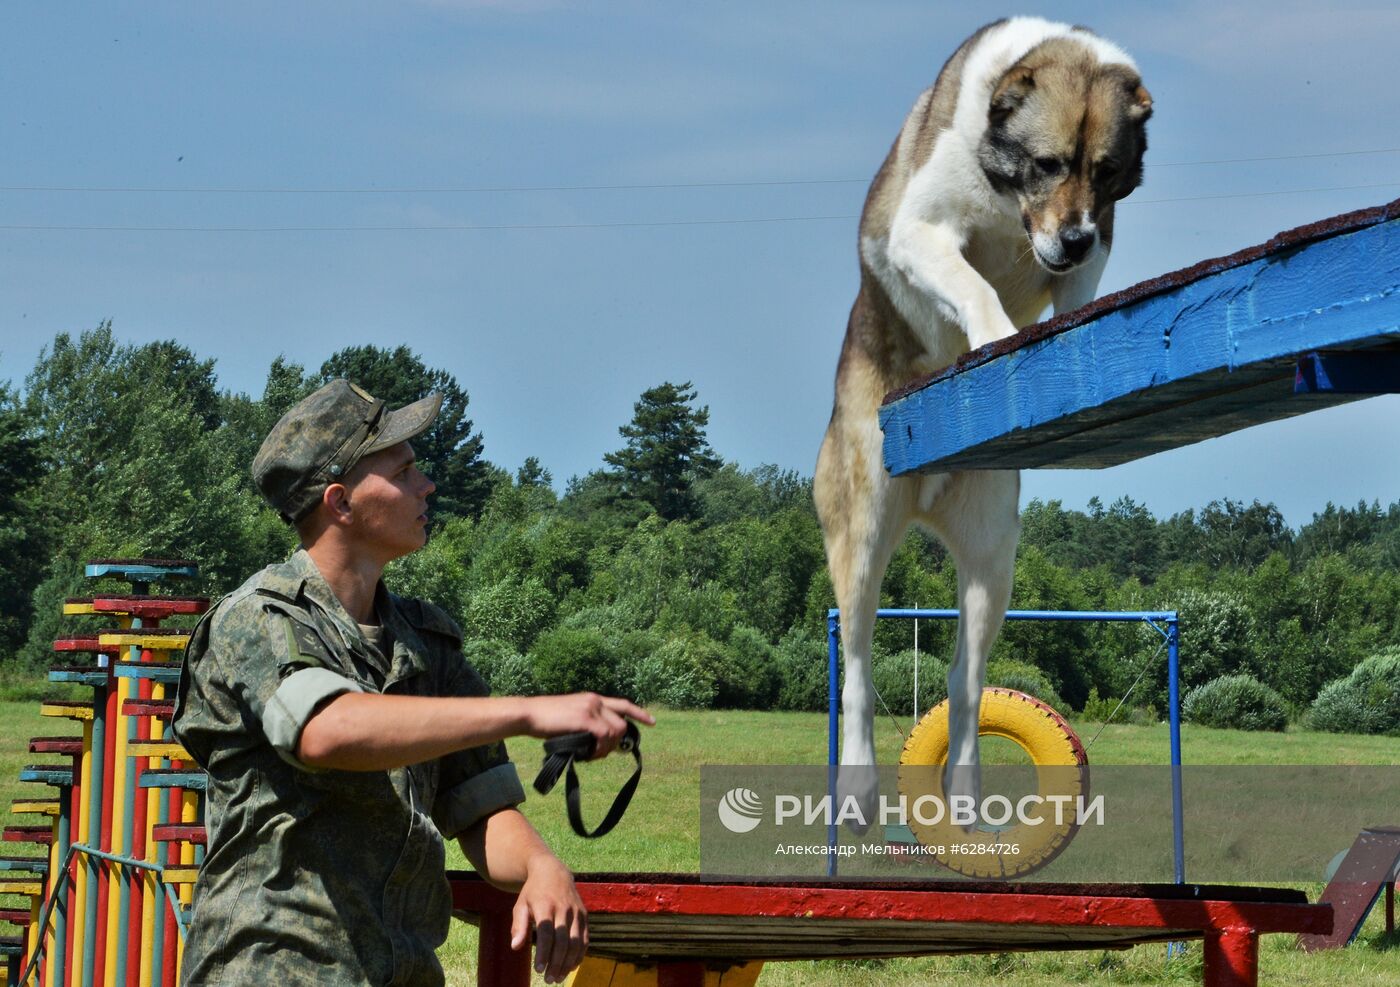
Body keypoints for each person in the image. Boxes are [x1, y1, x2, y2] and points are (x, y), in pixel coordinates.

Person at [172, 379, 652, 986]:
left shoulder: (426, 643)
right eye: (403, 472)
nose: (426, 485)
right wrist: (530, 713)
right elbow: (328, 731)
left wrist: (541, 867)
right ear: (341, 503)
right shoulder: (257, 618)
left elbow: (478, 806)